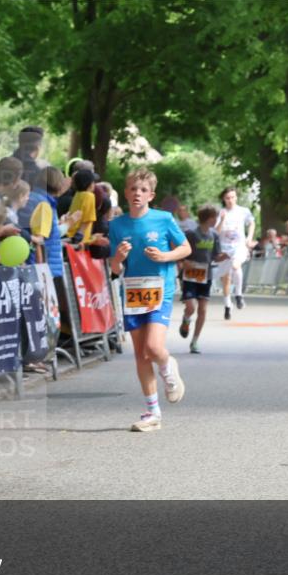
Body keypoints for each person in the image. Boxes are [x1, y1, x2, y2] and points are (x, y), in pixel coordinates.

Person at [108, 169, 190, 432]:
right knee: (141, 355)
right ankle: (152, 412)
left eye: (142, 190)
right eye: (132, 189)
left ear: (151, 195)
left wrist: (165, 257)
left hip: (160, 291)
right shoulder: (117, 225)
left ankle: (168, 366)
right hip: (132, 293)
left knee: (153, 349)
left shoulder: (164, 219)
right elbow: (115, 269)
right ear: (126, 192)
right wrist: (119, 258)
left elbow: (186, 248)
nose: (137, 194)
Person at [178, 205, 227, 354]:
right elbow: (180, 251)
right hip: (190, 274)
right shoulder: (191, 233)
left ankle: (194, 341)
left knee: (203, 310)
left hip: (206, 275)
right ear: (209, 218)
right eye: (214, 217)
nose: (216, 220)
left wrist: (224, 256)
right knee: (191, 307)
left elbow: (216, 256)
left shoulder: (214, 235)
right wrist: (183, 262)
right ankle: (186, 319)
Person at [212, 186, 255, 319]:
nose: (230, 200)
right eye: (227, 198)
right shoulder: (221, 212)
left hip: (239, 246)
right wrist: (223, 220)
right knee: (226, 279)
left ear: (236, 198)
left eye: (232, 197)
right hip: (225, 248)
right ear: (224, 199)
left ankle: (238, 295)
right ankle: (227, 306)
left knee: (236, 266)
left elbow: (252, 223)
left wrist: (249, 237)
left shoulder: (243, 211)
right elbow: (216, 232)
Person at [65, 169, 97, 246]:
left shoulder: (77, 195)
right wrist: (80, 235)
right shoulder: (90, 196)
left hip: (70, 232)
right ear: (90, 184)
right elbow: (87, 219)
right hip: (81, 238)